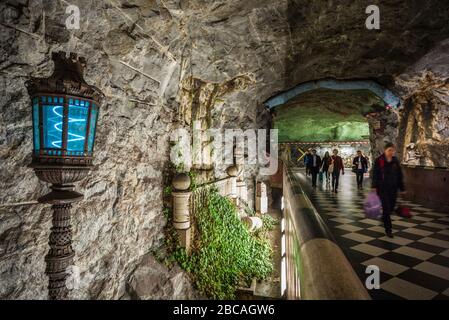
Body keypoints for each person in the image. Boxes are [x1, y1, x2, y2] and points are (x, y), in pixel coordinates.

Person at [371, 142, 405, 238]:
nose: (391, 152)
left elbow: (399, 175)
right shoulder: (379, 160)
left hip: (393, 189)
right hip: (382, 189)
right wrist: (374, 186)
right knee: (386, 209)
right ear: (385, 150)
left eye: (392, 150)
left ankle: (384, 217)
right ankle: (388, 230)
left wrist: (402, 188)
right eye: (389, 150)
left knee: (391, 208)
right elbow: (375, 174)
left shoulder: (395, 160)